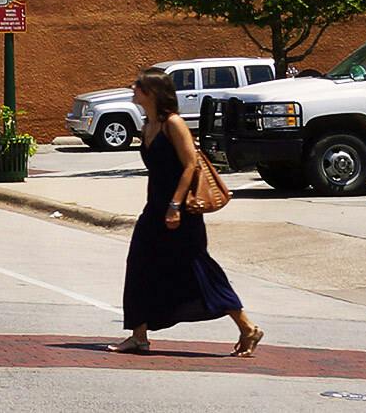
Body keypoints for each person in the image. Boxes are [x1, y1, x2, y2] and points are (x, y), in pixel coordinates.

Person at [112, 68, 263, 358]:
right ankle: (138, 336)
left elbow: (190, 166)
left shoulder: (173, 124)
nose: (133, 88)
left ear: (153, 92)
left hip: (180, 212)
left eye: (139, 86)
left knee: (197, 269)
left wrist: (175, 205)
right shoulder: (148, 125)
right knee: (140, 265)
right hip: (154, 209)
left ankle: (247, 327)